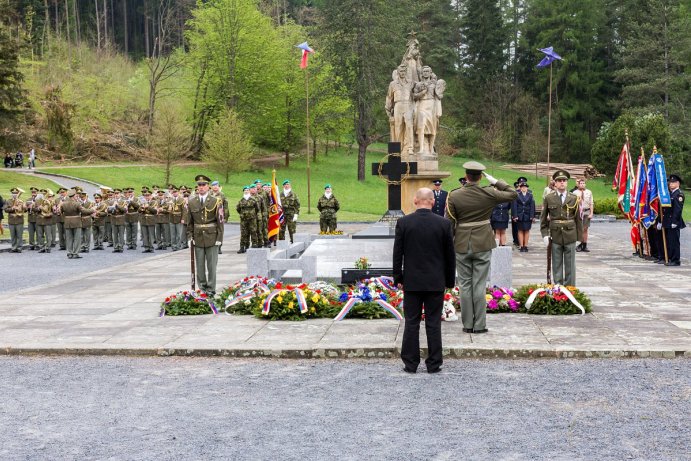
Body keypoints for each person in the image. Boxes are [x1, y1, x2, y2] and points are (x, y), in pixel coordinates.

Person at [446, 162, 517, 334]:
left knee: (465, 285)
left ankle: (467, 324)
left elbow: (450, 223)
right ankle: (479, 325)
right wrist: (496, 182)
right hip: (483, 243)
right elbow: (512, 193)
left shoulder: (454, 195)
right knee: (479, 284)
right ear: (480, 177)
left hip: (462, 242)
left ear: (466, 175)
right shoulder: (489, 192)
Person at [393, 187, 456, 374]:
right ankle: (434, 363)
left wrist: (398, 277)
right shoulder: (444, 224)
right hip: (435, 281)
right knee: (433, 322)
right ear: (433, 202)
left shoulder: (404, 222)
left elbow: (398, 254)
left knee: (411, 322)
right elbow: (449, 256)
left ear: (415, 201)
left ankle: (410, 363)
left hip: (412, 281)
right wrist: (449, 281)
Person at [540, 170, 583, 286]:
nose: (562, 183)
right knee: (556, 264)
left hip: (570, 234)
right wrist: (545, 235)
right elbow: (543, 219)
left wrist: (580, 237)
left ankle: (570, 290)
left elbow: (578, 219)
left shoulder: (574, 198)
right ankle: (557, 289)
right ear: (555, 183)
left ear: (567, 183)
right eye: (559, 181)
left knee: (570, 265)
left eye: (564, 180)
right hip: (555, 235)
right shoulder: (549, 198)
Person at [186, 174, 224, 295]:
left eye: (203, 185)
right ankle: (202, 288)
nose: (201, 187)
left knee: (212, 265)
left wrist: (220, 238)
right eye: (199, 185)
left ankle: (211, 288)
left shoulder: (216, 201)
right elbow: (189, 222)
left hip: (212, 236)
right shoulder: (192, 202)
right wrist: (189, 236)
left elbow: (220, 220)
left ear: (208, 187)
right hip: (197, 237)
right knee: (200, 265)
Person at [385, 64, 415, 156]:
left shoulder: (411, 83)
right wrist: (389, 114)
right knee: (398, 127)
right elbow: (389, 98)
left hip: (408, 105)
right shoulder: (393, 84)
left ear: (406, 72)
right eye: (401, 71)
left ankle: (410, 148)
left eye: (404, 71)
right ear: (398, 72)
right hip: (398, 106)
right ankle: (398, 148)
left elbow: (416, 93)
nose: (402, 73)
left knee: (409, 126)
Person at [60, 189, 94, 259]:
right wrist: (93, 210)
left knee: (69, 238)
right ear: (73, 196)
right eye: (76, 195)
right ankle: (75, 253)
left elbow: (61, 212)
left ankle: (69, 252)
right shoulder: (77, 203)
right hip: (76, 222)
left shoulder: (63, 204)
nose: (77, 197)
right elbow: (84, 211)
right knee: (77, 238)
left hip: (67, 222)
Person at [661, 174, 685, 266]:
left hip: (674, 222)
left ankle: (675, 260)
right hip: (668, 221)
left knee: (674, 241)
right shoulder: (671, 194)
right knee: (669, 241)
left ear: (678, 183)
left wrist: (675, 222)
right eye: (670, 182)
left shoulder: (679, 194)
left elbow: (678, 210)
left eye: (673, 182)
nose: (671, 184)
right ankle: (671, 258)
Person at [512, 181, 536, 252]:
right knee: (520, 230)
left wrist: (532, 216)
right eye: (522, 187)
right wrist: (515, 216)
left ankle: (525, 246)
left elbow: (532, 206)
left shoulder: (530, 195)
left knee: (527, 230)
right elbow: (514, 206)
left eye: (525, 187)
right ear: (520, 188)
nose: (524, 188)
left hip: (527, 216)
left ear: (527, 188)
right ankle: (521, 246)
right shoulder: (517, 195)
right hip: (520, 216)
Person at [573, 178, 594, 252]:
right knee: (579, 229)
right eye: (580, 183)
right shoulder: (575, 192)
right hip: (579, 212)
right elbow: (573, 204)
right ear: (578, 184)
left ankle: (584, 245)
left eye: (583, 183)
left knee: (585, 229)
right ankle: (580, 244)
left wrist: (591, 213)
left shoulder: (589, 192)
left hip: (586, 212)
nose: (582, 184)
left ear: (585, 184)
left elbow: (591, 203)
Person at [237, 185, 259, 253]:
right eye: (245, 190)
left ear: (249, 191)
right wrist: (243, 214)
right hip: (243, 219)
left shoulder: (253, 199)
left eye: (247, 190)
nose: (246, 191)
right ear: (243, 191)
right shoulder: (241, 200)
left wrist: (251, 213)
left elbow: (257, 208)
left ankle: (254, 245)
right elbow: (238, 209)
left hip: (252, 219)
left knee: (253, 231)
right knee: (244, 233)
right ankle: (243, 247)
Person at [3, 187, 25, 252]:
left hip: (19, 220)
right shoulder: (8, 201)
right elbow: (5, 209)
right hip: (11, 221)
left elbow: (25, 210)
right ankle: (13, 248)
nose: (15, 194)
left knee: (19, 235)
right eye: (13, 193)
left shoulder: (21, 201)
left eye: (16, 193)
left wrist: (22, 207)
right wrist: (12, 208)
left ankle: (19, 248)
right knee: (13, 236)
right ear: (11, 194)